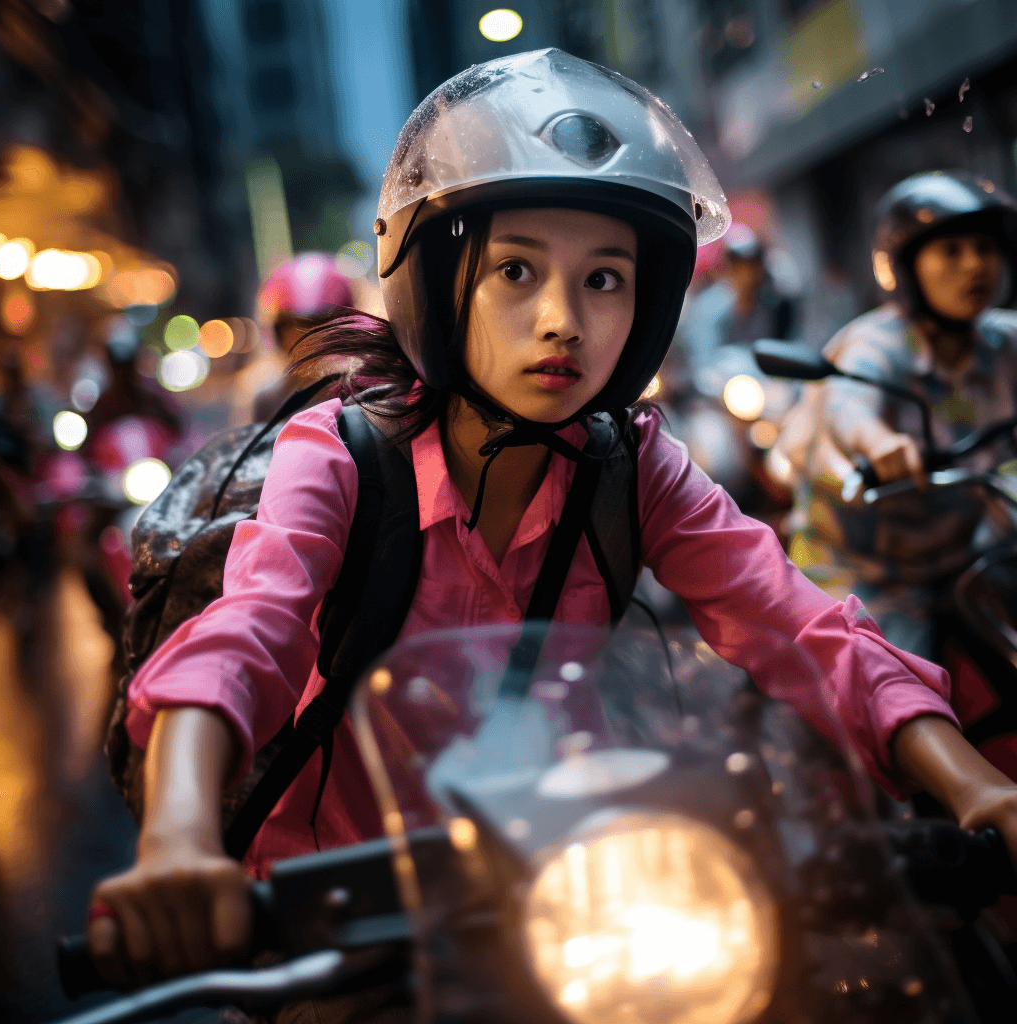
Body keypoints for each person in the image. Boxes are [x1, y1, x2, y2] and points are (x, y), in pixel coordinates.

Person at [86, 53, 1017, 993]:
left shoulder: (634, 463)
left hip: (577, 898)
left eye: (604, 280)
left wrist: (975, 783)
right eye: (516, 271)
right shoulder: (338, 454)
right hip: (344, 926)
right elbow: (251, 632)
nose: (563, 320)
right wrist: (176, 842)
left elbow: (799, 624)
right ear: (437, 282)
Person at [772, 171, 1017, 660]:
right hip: (862, 572)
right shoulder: (876, 342)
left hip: (973, 551)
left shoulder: (1003, 341)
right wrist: (876, 441)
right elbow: (848, 405)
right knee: (901, 703)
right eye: (950, 251)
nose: (974, 266)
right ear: (906, 267)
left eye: (984, 248)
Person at [235, 253, 355, 425]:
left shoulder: (366, 393)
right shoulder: (265, 401)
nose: (308, 340)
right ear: (278, 334)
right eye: (294, 328)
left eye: (320, 325)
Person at [678, 222, 798, 373]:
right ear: (728, 266)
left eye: (752, 264)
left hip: (764, 387)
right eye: (739, 265)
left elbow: (784, 350)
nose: (746, 273)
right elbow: (703, 361)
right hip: (721, 387)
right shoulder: (709, 308)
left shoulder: (771, 304)